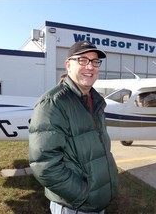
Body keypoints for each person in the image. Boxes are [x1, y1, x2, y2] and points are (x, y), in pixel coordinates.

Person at [29, 40, 118, 214]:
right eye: (83, 60)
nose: (90, 66)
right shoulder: (53, 103)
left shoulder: (95, 101)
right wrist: (83, 195)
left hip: (96, 203)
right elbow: (44, 164)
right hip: (76, 206)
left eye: (94, 61)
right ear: (68, 65)